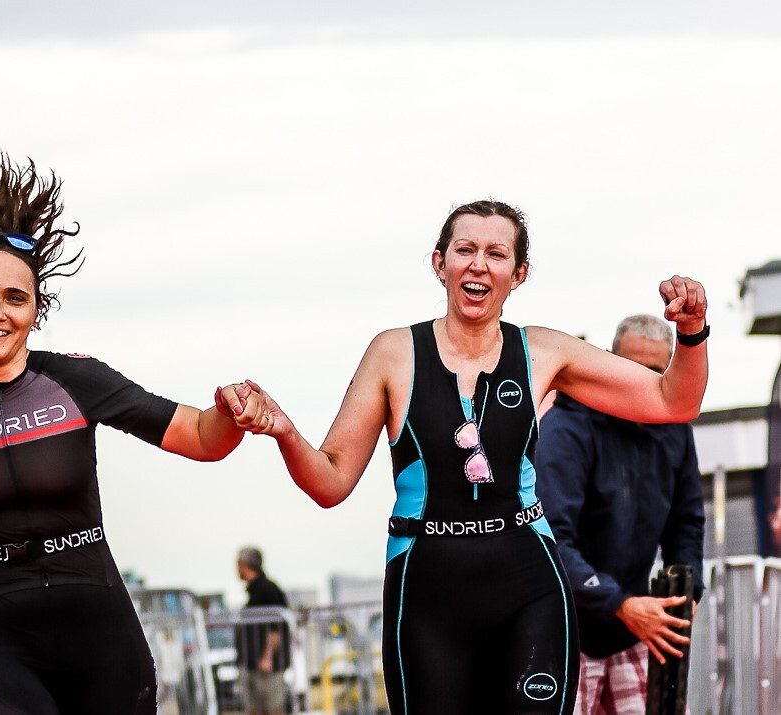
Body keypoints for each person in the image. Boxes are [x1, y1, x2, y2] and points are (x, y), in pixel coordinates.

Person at [228, 200, 709, 714]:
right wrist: (283, 431)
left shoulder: (544, 352)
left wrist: (692, 333)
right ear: (440, 263)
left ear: (518, 274)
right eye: (466, 249)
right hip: (427, 592)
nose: (480, 264)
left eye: (497, 254)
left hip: (530, 586)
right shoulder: (393, 354)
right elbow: (330, 482)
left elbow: (672, 400)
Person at [0, 156, 270, 714]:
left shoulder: (76, 381)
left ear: (37, 310)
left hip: (96, 620)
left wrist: (230, 410)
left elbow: (201, 437)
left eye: (15, 299)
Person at [537, 314, 704, 714]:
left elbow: (687, 521)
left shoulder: (675, 426)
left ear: (667, 370)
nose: (640, 379)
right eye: (630, 367)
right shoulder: (566, 427)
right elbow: (551, 538)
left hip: (634, 628)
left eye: (653, 371)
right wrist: (621, 604)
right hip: (565, 633)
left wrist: (687, 590)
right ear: (609, 360)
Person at [235, 547, 290, 715]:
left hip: (267, 665)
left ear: (245, 565)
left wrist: (267, 657)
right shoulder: (254, 592)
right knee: (255, 709)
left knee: (273, 708)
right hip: (252, 663)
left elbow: (276, 629)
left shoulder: (269, 590)